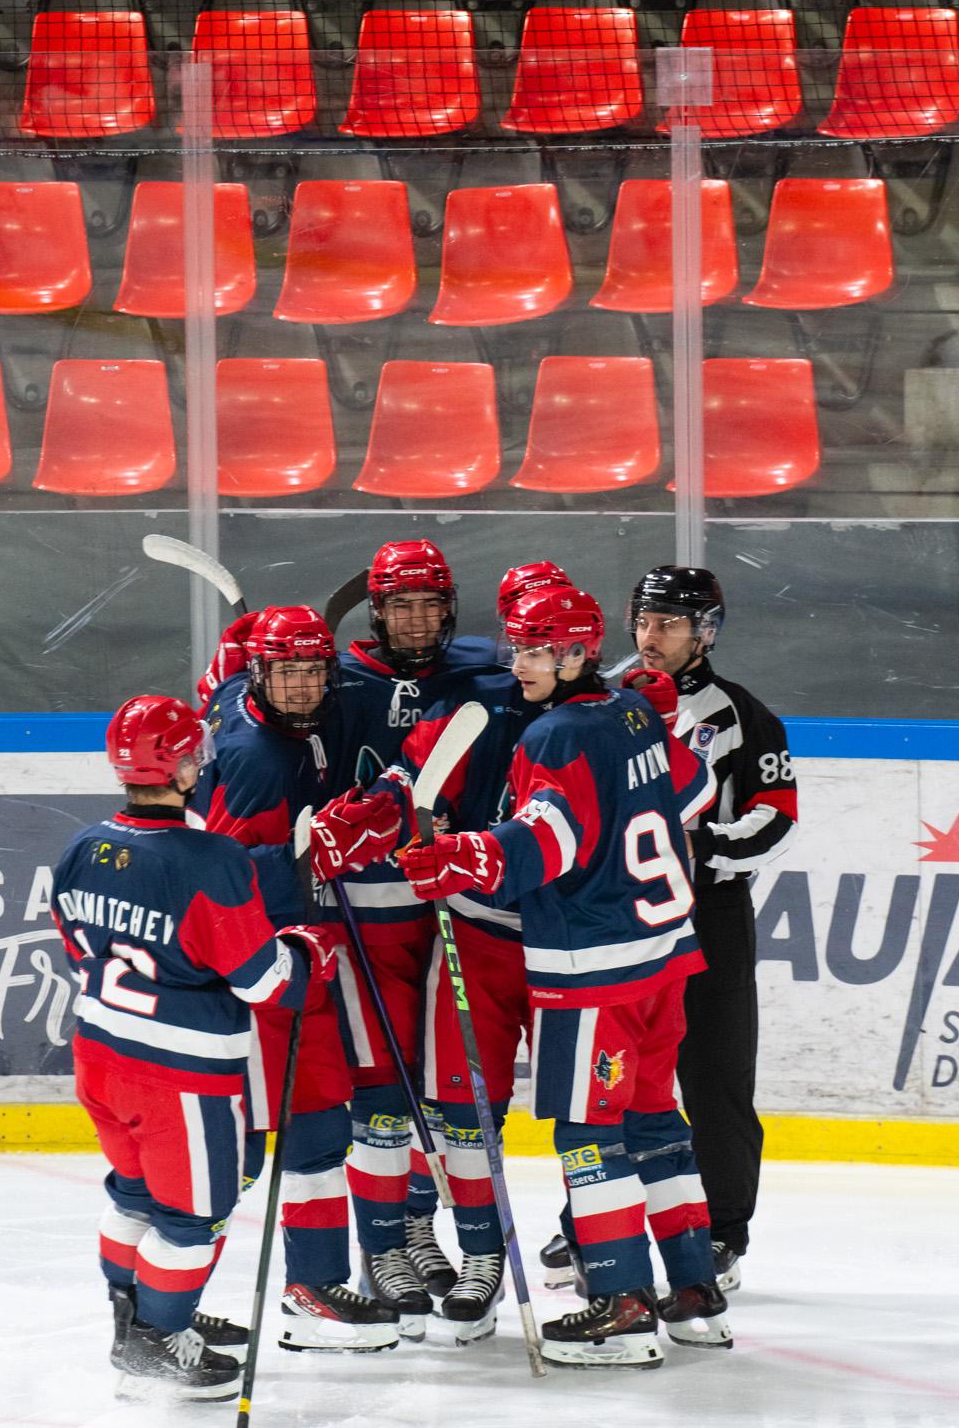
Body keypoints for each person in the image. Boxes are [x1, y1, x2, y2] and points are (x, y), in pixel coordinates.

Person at [401, 583, 730, 1369]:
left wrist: (458, 858)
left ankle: (620, 1306)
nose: (523, 663)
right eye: (518, 647)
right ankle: (691, 1290)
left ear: (580, 652)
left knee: (588, 1133)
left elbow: (545, 844)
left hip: (595, 971)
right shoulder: (633, 711)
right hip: (663, 958)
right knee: (653, 1122)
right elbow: (697, 789)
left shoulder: (553, 735)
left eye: (540, 650)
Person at [51, 694, 336, 1401]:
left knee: (134, 1194)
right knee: (190, 1218)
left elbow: (74, 945)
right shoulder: (211, 860)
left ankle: (135, 1315)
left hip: (100, 1054)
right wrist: (306, 954)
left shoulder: (82, 846)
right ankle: (157, 1337)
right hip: (178, 1076)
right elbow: (264, 983)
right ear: (181, 767)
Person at [312, 561, 565, 1341]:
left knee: (459, 1097)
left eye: (430, 606)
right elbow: (284, 736)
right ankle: (402, 1239)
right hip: (373, 915)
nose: (417, 621)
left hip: (463, 916)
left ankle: (474, 1247)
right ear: (377, 612)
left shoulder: (491, 672)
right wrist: (230, 692)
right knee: (385, 1093)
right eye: (401, 607)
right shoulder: (338, 680)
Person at [195, 607, 400, 1353]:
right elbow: (220, 876)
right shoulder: (258, 758)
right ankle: (160, 1302)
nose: (306, 686)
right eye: (287, 672)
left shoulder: (245, 701)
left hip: (302, 967)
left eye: (315, 670)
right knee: (243, 1151)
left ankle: (312, 1288)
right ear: (261, 675)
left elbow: (217, 690)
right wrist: (303, 854)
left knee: (316, 1130)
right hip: (259, 974)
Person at [628, 565, 797, 1290]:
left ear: (705, 632)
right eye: (644, 619)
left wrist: (703, 848)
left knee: (715, 1076)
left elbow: (777, 819)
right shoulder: (610, 706)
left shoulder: (742, 715)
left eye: (668, 622)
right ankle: (596, 1218)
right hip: (626, 917)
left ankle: (722, 1229)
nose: (651, 635)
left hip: (708, 916)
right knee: (622, 1075)